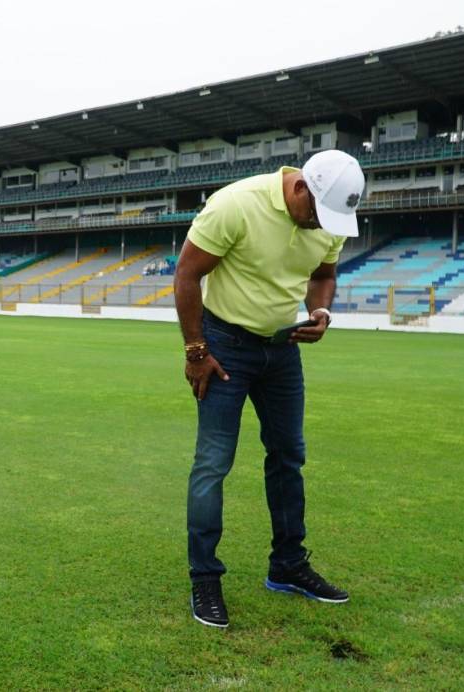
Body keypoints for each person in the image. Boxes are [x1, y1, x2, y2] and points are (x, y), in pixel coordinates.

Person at [173, 150, 365, 629]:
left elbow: (323, 275)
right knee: (213, 462)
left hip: (282, 350)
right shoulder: (235, 205)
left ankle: (288, 566)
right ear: (301, 188)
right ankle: (205, 578)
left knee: (288, 455)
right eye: (318, 213)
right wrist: (196, 351)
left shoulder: (330, 216)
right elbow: (187, 274)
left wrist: (321, 313)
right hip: (224, 345)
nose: (323, 224)